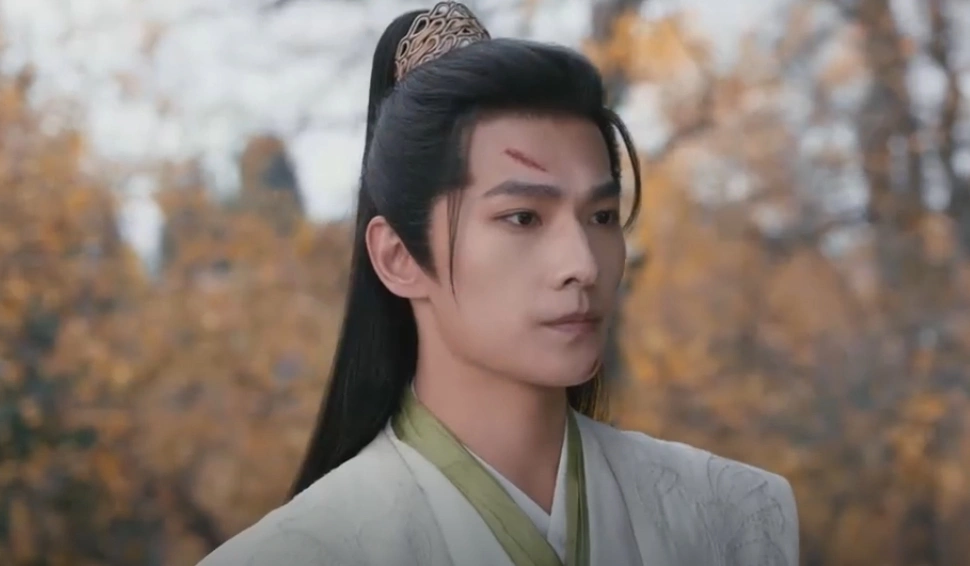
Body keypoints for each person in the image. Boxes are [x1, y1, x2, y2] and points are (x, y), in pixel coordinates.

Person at [197, 3, 799, 565]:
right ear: (399, 256)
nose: (583, 265)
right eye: (523, 218)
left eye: (601, 217)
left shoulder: (735, 517)